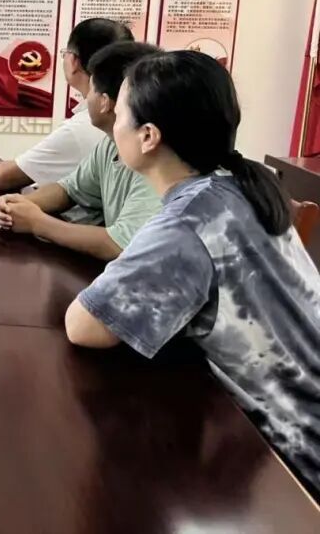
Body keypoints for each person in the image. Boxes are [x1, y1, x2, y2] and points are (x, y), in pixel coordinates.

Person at [65, 51, 320, 498]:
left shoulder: (189, 220)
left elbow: (84, 325)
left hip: (292, 463)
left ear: (148, 136)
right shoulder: (239, 185)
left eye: (119, 114)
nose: (113, 123)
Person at [0, 42, 162, 261]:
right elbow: (70, 189)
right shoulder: (110, 144)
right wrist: (21, 205)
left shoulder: (157, 161)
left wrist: (37, 223)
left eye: (91, 89)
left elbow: (120, 245)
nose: (86, 98)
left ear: (106, 102)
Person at [0, 19, 133, 191]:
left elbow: (4, 177)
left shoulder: (84, 126)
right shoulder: (131, 116)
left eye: (66, 53)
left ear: (74, 61)